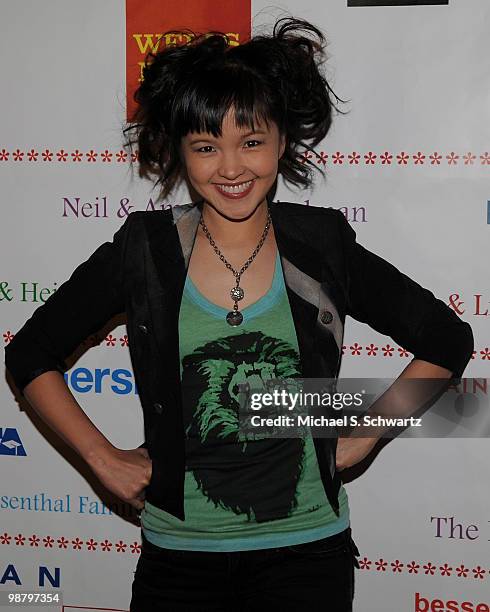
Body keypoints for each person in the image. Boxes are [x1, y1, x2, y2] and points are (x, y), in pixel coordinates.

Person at [4, 17, 473, 612]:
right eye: (206, 147)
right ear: (180, 152)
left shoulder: (321, 245)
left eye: (251, 142)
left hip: (307, 556)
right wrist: (101, 460)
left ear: (282, 143)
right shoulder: (145, 251)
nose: (230, 167)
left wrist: (366, 431)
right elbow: (29, 353)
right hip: (178, 559)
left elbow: (446, 338)